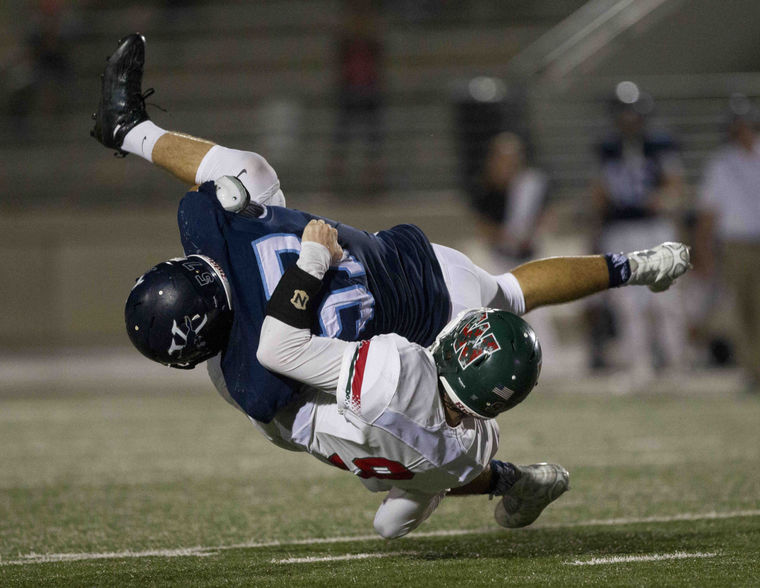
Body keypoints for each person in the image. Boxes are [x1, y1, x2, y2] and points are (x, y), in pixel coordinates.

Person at [92, 35, 692, 536]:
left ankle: (123, 125)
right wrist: (308, 261)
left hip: (379, 334)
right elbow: (276, 333)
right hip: (411, 283)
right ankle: (633, 267)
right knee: (497, 310)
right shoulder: (246, 326)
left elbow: (276, 359)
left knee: (408, 457)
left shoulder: (247, 383)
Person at [590, 82, 687, 383]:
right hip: (620, 229)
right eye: (624, 113)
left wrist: (664, 202)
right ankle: (638, 364)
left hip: (654, 226)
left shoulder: (660, 145)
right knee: (628, 304)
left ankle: (675, 362)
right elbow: (599, 193)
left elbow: (674, 184)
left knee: (666, 299)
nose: (629, 119)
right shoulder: (605, 149)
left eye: (633, 112)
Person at [695, 95, 760, 394]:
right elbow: (709, 213)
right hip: (736, 245)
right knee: (743, 309)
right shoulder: (720, 164)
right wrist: (704, 251)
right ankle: (752, 371)